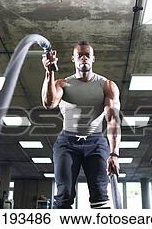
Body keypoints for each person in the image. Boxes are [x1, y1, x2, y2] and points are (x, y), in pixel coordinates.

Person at [41, 40, 121, 209]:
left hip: (96, 142)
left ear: (93, 59)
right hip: (67, 143)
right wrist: (49, 72)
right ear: (73, 59)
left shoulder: (107, 85)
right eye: (79, 55)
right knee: (64, 195)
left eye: (87, 55)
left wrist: (114, 154)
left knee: (100, 194)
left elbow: (113, 120)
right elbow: (48, 103)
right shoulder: (62, 84)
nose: (83, 58)